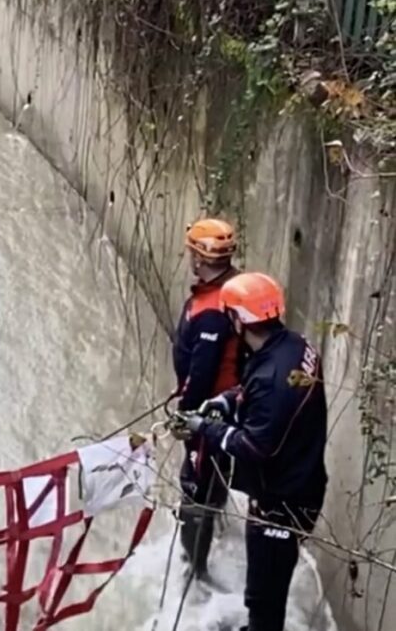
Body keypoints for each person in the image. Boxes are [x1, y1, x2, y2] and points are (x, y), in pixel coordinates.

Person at [174, 272, 327, 631]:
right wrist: (227, 402)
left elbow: (254, 447)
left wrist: (205, 429)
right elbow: (256, 390)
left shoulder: (273, 377)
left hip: (281, 505)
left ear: (239, 320)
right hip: (301, 482)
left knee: (264, 594)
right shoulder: (293, 345)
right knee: (266, 588)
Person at [171, 218, 242, 584]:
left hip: (210, 415)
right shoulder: (235, 288)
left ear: (198, 258)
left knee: (195, 487)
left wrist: (185, 416)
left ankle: (192, 573)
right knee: (214, 478)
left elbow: (203, 372)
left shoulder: (212, 309)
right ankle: (212, 524)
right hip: (230, 408)